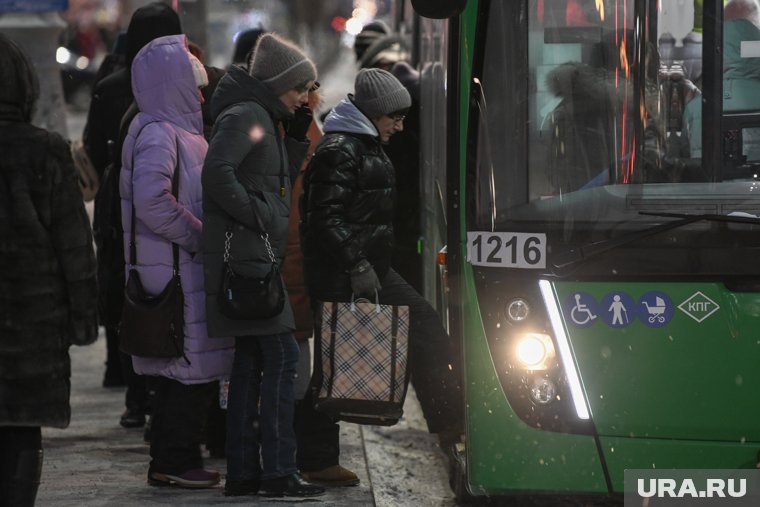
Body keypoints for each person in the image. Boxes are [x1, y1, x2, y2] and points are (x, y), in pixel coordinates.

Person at [298, 68, 464, 482]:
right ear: (374, 112)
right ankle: (317, 459)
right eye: (395, 117)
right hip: (348, 272)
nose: (400, 126)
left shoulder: (362, 144)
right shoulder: (341, 149)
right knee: (332, 365)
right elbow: (323, 218)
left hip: (370, 268)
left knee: (421, 328)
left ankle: (450, 424)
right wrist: (356, 265)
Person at [201, 33, 324, 498]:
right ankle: (277, 471)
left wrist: (292, 144)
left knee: (253, 363)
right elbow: (217, 173)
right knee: (282, 357)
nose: (304, 98)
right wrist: (263, 213)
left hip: (255, 257)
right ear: (276, 84)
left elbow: (270, 175)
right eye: (299, 88)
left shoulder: (264, 119)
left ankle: (246, 472)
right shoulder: (248, 116)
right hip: (248, 258)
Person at [120, 34, 234, 489]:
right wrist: (198, 235)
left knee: (181, 371)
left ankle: (174, 457)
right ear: (175, 85)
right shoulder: (160, 133)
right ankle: (174, 459)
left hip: (177, 269)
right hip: (176, 271)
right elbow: (151, 200)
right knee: (187, 371)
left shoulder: (171, 131)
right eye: (197, 85)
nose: (203, 94)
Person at [0, 34, 98, 506]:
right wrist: (83, 319)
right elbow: (74, 244)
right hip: (30, 323)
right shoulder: (44, 150)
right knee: (21, 429)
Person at [83, 1, 183, 428]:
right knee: (167, 294)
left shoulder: (110, 86)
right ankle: (164, 392)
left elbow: (91, 147)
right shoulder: (179, 82)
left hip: (115, 203)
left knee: (126, 292)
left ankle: (135, 395)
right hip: (169, 199)